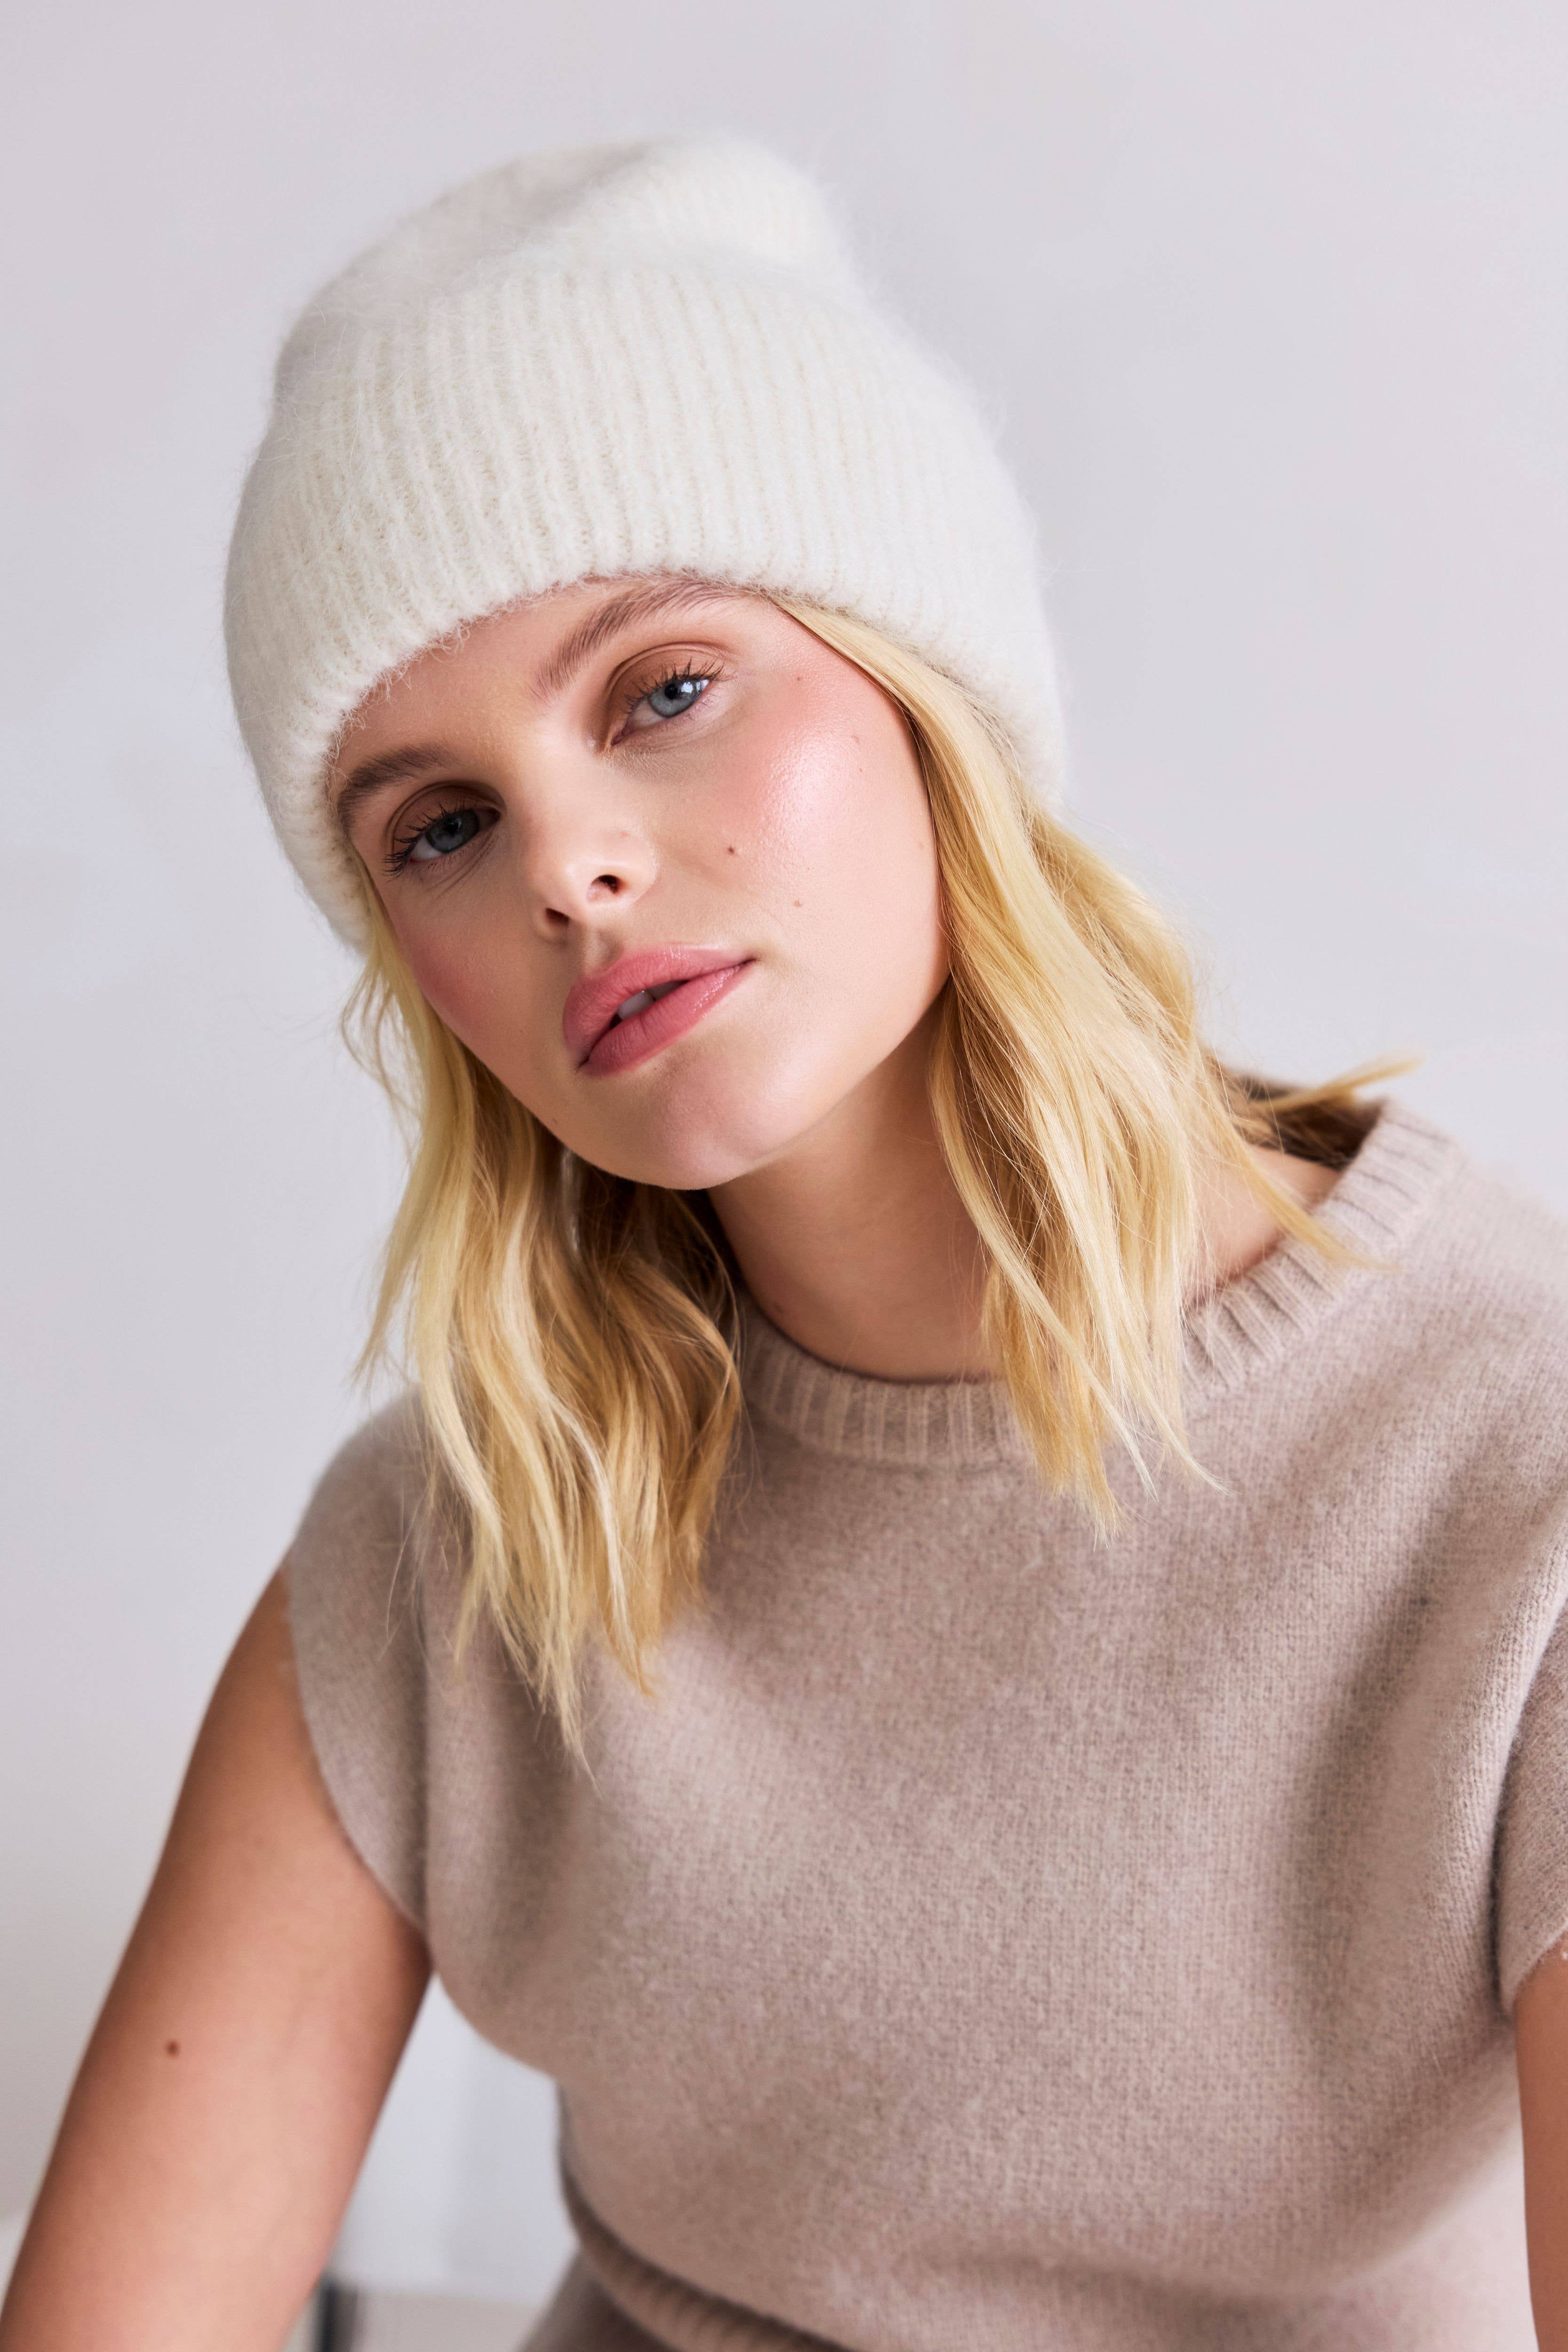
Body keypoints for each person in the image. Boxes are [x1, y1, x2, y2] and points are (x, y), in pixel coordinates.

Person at [3, 135, 1567, 2352]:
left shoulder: (1509, 1474)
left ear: (924, 689)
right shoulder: (453, 1551)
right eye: (439, 824)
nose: (566, 864)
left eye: (663, 691)